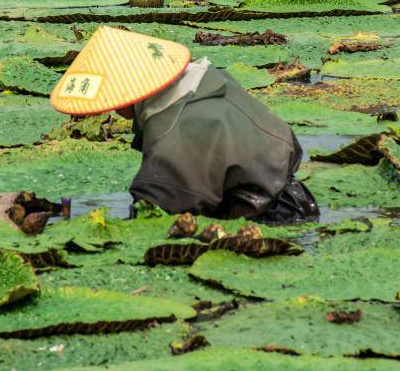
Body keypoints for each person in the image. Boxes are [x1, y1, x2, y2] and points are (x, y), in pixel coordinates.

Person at [50, 26, 319, 224]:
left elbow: (155, 218)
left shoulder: (172, 138)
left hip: (262, 221)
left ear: (122, 99)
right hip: (296, 198)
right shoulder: (210, 79)